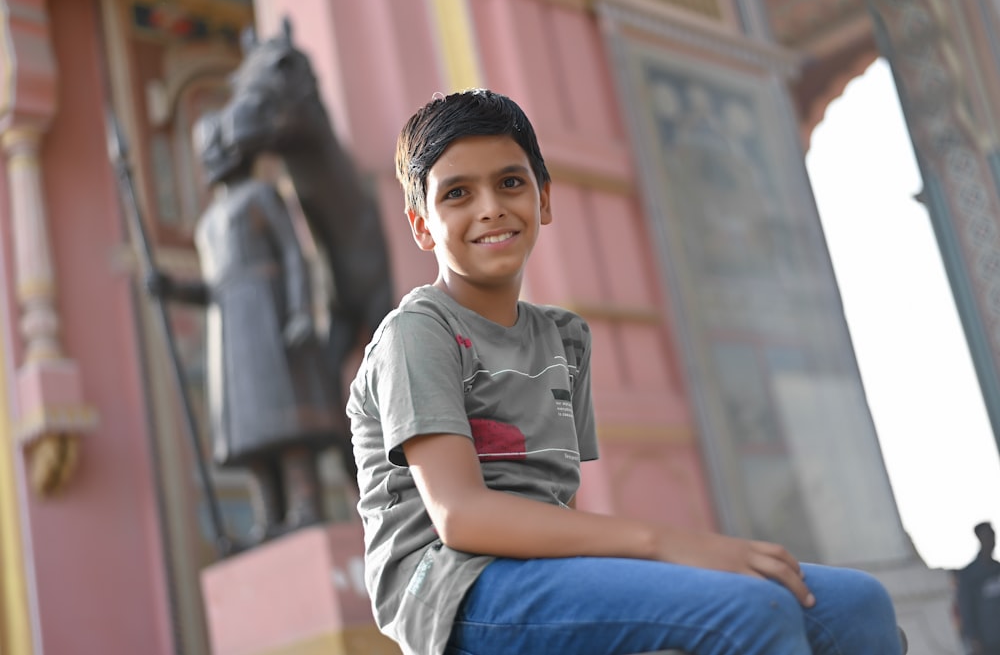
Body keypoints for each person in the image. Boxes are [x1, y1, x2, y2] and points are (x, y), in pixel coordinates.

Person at [346, 88, 904, 655]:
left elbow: (555, 501)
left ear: (543, 199)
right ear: (421, 225)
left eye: (510, 182)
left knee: (856, 605)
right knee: (750, 608)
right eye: (458, 193)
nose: (489, 207)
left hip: (539, 573)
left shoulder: (563, 338)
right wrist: (665, 547)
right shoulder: (417, 333)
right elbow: (460, 515)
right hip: (453, 590)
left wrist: (638, 585)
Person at [149, 107, 347, 544]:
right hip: (232, 334)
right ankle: (269, 516)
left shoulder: (261, 196)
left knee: (285, 421)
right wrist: (171, 288)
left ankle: (305, 505)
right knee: (250, 433)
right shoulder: (208, 225)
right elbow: (212, 287)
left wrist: (299, 311)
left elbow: (295, 256)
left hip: (269, 320)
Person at [958, 522, 1000, 654]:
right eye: (987, 536)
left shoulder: (997, 568)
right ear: (980, 538)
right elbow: (966, 607)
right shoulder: (969, 574)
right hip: (987, 642)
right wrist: (973, 638)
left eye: (992, 535)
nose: (991, 540)